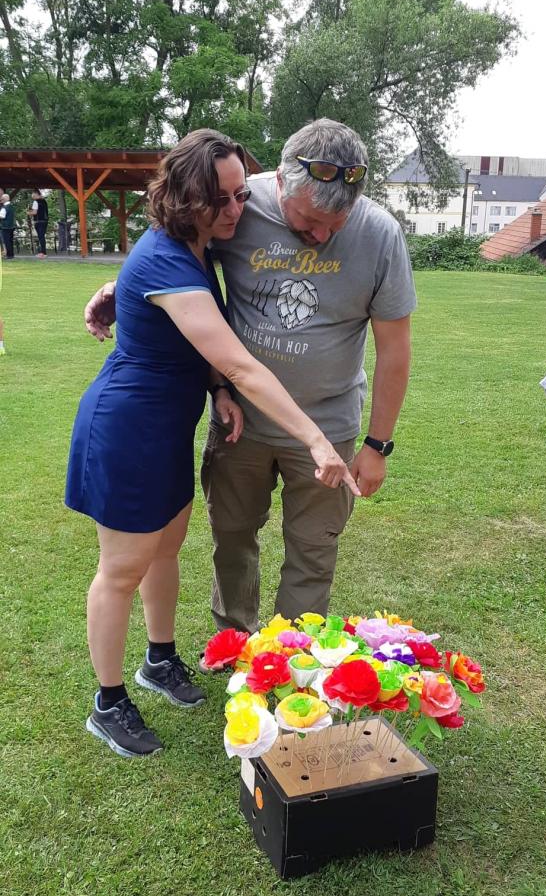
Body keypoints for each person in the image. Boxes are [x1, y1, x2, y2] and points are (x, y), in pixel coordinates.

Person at [66, 128, 359, 759]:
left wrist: (217, 391)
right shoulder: (166, 257)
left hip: (169, 426)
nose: (236, 209)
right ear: (183, 198)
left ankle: (159, 659)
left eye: (239, 195)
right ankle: (108, 702)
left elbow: (200, 345)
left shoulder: (199, 245)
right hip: (127, 429)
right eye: (220, 199)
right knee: (122, 569)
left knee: (167, 549)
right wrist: (315, 438)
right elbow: (241, 361)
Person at [84, 118, 416, 639]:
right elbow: (171, 250)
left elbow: (395, 349)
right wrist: (122, 286)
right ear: (280, 183)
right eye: (309, 220)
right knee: (233, 538)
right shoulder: (237, 204)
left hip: (329, 425)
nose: (321, 236)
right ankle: (235, 644)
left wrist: (377, 444)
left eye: (337, 222)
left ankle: (293, 656)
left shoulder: (380, 235)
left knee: (313, 549)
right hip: (241, 421)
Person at [28, 189, 48, 257]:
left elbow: (34, 212)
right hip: (45, 221)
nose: (32, 197)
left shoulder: (35, 202)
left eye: (33, 196)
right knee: (42, 237)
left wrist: (28, 212)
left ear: (36, 194)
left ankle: (43, 253)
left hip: (38, 221)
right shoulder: (44, 201)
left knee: (41, 237)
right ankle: (42, 252)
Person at [0, 194, 15, 259]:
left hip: (5, 226)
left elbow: (2, 216)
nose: (1, 199)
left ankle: (9, 255)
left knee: (7, 241)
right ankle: (11, 254)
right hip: (11, 226)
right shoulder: (11, 206)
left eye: (2, 198)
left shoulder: (4, 207)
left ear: (5, 199)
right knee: (10, 241)